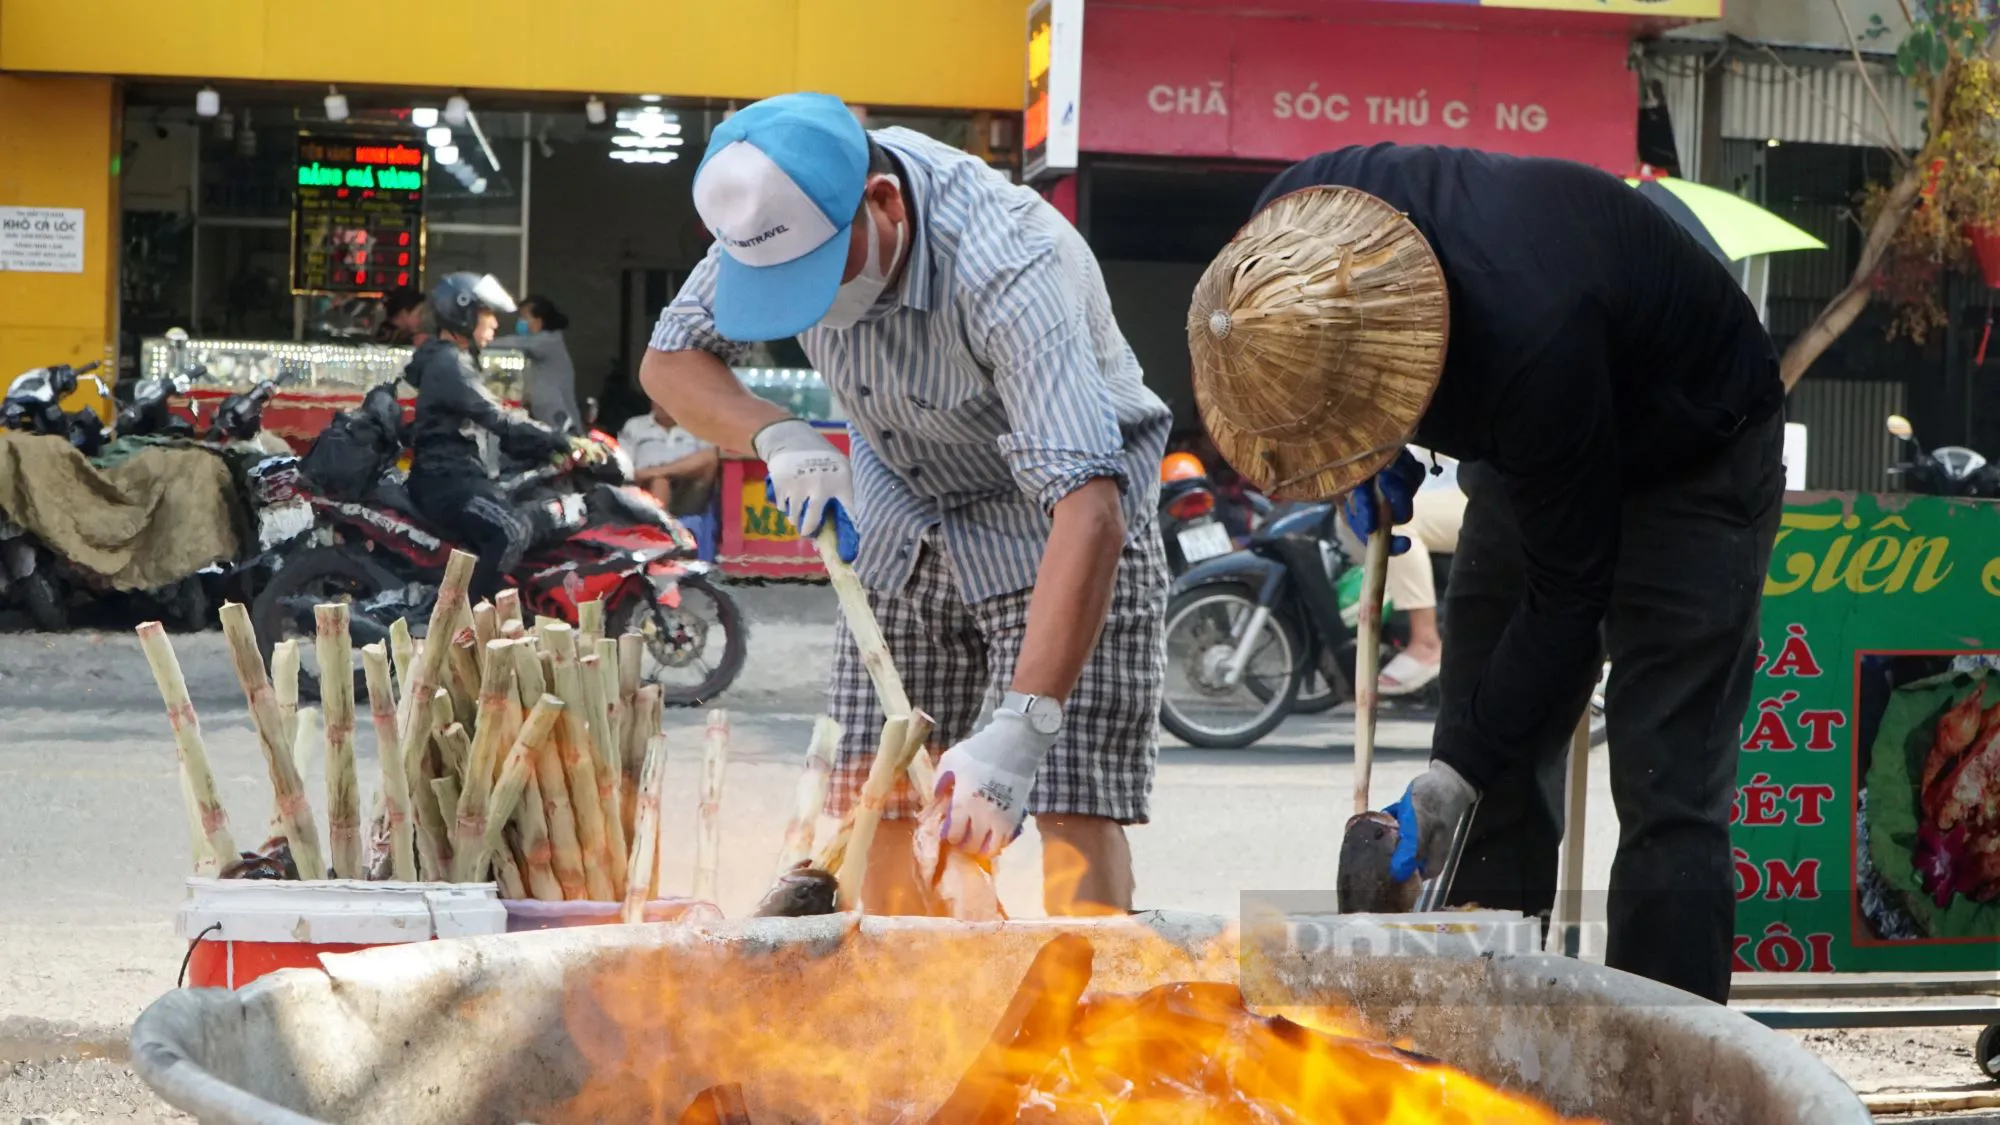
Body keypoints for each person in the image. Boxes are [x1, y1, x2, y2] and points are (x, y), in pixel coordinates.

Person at [1188, 144, 1784, 1003]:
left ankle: (1668, 1070)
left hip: (1696, 444)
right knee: (1491, 754)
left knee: (1669, 786)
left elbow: (1566, 601)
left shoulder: (1531, 336)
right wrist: (1361, 457)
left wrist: (1448, 774)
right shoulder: (1286, 240)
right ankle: (1487, 1043)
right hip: (1539, 427)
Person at [640, 92, 1172, 916]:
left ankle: (1099, 1018)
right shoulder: (771, 216)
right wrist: (779, 434)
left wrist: (1023, 728)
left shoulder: (1006, 261)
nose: (806, 308)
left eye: (817, 279)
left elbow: (1088, 508)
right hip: (906, 515)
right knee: (878, 793)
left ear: (882, 203)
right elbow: (670, 364)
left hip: (1061, 526)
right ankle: (919, 1016)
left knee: (1070, 801)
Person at [405, 272, 602, 600]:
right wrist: (561, 440)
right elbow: (497, 417)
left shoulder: (455, 358)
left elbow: (491, 422)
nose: (494, 324)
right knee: (510, 531)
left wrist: (543, 447)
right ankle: (462, 619)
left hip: (459, 474)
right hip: (448, 482)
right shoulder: (448, 362)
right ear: (464, 314)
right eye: (488, 314)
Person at [1333, 445, 1466, 695]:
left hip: (1473, 488)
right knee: (1351, 517)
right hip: (1428, 487)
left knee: (1394, 521)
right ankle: (1387, 604)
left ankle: (1425, 642)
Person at [489, 294, 585, 433]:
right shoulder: (536, 348)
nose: (520, 321)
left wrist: (485, 341)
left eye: (524, 317)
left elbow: (517, 343)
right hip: (545, 419)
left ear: (539, 320)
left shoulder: (548, 341)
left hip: (560, 420)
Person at [618, 402, 720, 516]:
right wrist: (651, 476)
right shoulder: (635, 426)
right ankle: (660, 526)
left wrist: (657, 471)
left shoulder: (696, 426)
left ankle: (660, 524)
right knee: (660, 482)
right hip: (644, 486)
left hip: (688, 488)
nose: (663, 404)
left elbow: (709, 459)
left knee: (711, 456)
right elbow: (623, 467)